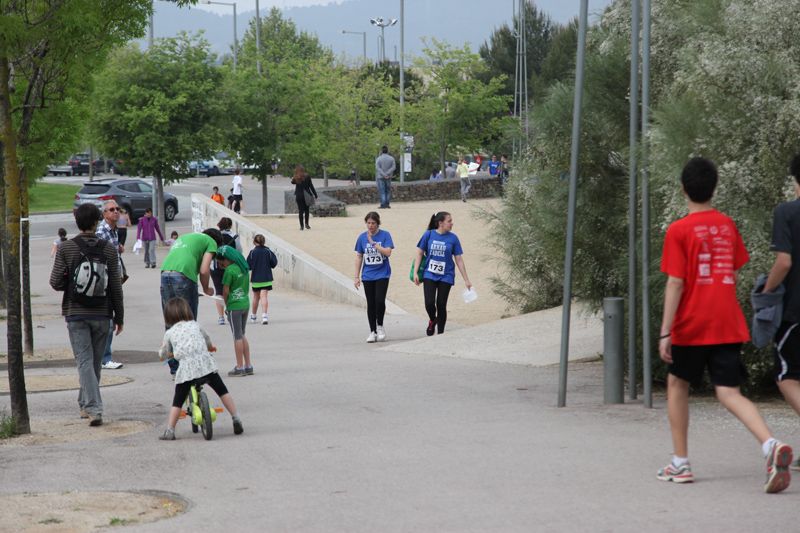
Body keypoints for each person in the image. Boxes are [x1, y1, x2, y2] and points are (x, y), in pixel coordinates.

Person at [657, 157, 792, 493]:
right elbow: (733, 268)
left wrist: (665, 331)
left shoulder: (678, 230)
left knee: (677, 384)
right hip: (727, 321)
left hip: (692, 323)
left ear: (683, 188)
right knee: (729, 392)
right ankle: (770, 444)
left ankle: (680, 463)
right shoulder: (727, 225)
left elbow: (675, 282)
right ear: (714, 188)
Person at [49, 203, 124, 427]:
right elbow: (115, 286)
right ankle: (85, 404)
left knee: (84, 361)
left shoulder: (66, 248)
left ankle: (93, 408)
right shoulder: (108, 249)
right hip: (102, 313)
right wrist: (119, 316)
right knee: (94, 363)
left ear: (77, 222)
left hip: (76, 313)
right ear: (97, 221)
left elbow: (55, 282)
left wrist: (70, 282)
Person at [761, 153, 800, 470]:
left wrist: (767, 290)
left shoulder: (787, 212)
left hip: (796, 311)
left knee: (787, 377)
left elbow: (783, 262)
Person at [157, 297, 243, 440]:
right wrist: (210, 347)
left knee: (178, 400)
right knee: (222, 391)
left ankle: (170, 430)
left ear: (168, 316)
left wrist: (163, 355)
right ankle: (236, 418)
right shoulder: (196, 325)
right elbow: (206, 338)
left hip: (187, 370)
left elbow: (164, 352)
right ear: (187, 311)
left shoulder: (170, 333)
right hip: (206, 366)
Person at [160, 228, 223, 375]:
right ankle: (190, 365)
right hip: (183, 276)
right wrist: (207, 288)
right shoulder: (211, 242)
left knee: (171, 320)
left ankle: (174, 367)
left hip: (165, 274)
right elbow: (204, 270)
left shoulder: (185, 237)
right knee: (188, 322)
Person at [413, 211, 472, 336]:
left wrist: (466, 280)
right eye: (449, 221)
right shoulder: (428, 234)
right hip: (429, 273)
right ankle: (432, 320)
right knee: (429, 303)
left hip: (446, 275)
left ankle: (441, 334)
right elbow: (419, 253)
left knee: (441, 304)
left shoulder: (453, 238)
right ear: (440, 223)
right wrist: (415, 272)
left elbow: (459, 259)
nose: (452, 223)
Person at [354, 211, 394, 343]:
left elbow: (388, 252)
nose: (370, 225)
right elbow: (359, 256)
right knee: (371, 303)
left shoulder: (385, 235)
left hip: (382, 273)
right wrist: (356, 276)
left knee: (380, 301)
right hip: (368, 275)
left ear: (378, 224)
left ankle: (380, 326)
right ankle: (372, 331)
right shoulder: (361, 238)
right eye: (368, 223)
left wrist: (374, 244)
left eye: (373, 223)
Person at [96, 200, 125, 370]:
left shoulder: (113, 231)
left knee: (110, 319)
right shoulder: (102, 231)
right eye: (111, 209)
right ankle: (104, 358)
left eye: (117, 209)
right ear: (104, 213)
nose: (116, 211)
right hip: (105, 281)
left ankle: (104, 357)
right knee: (107, 320)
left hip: (114, 279)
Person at [215, 245, 252, 377]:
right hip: (245, 303)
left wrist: (227, 305)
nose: (221, 266)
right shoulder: (243, 267)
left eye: (221, 263)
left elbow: (225, 291)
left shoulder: (229, 271)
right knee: (242, 334)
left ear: (226, 259)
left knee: (237, 337)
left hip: (234, 306)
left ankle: (239, 366)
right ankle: (248, 365)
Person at [212, 217, 242, 325]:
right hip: (230, 267)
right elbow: (239, 252)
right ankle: (230, 311)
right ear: (230, 225)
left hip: (215, 266)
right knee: (230, 289)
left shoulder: (214, 236)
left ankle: (220, 317)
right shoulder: (234, 236)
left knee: (218, 291)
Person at [247, 234, 278, 325]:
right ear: (264, 242)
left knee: (256, 297)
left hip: (255, 278)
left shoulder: (252, 252)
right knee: (264, 296)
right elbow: (274, 263)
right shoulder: (268, 251)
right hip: (266, 277)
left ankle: (253, 316)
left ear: (254, 242)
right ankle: (264, 316)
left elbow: (248, 265)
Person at [291, 164, 317, 231]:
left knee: (300, 211)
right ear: (303, 170)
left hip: (299, 196)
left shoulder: (296, 177)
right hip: (306, 195)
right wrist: (315, 194)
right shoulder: (307, 176)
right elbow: (311, 186)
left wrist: (295, 176)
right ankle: (307, 224)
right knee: (307, 210)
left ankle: (301, 226)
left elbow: (292, 182)